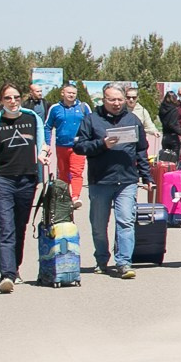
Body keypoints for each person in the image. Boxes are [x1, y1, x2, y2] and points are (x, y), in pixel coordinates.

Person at [71, 83, 152, 279]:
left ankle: (124, 262)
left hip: (127, 180)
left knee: (125, 221)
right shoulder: (91, 120)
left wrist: (147, 176)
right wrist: (102, 144)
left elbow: (141, 149)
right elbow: (79, 147)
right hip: (101, 180)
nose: (116, 103)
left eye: (120, 100)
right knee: (99, 225)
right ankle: (101, 259)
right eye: (112, 100)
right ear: (103, 100)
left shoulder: (132, 119)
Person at [0, 84, 44, 291]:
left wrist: (43, 154)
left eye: (16, 97)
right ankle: (6, 275)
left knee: (20, 226)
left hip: (27, 179)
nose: (13, 101)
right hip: (3, 180)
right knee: (6, 228)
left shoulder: (32, 118)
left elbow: (42, 143)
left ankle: (15, 269)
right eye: (8, 98)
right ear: (1, 101)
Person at [43, 84, 90, 199]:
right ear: (62, 93)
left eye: (74, 93)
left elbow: (92, 124)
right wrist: (47, 145)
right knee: (63, 172)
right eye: (69, 92)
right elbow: (47, 127)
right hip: (61, 146)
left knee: (76, 172)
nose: (71, 95)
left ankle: (75, 197)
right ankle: (64, 197)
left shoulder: (83, 107)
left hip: (78, 146)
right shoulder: (55, 108)